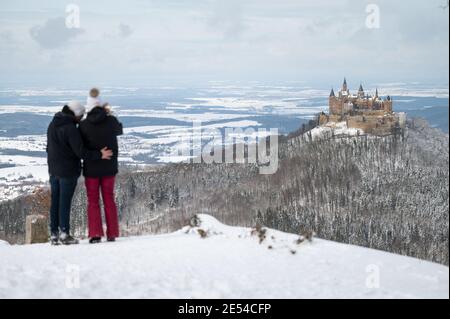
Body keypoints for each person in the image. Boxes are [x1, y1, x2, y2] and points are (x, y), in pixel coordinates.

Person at [47, 101, 113, 245]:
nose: (81, 118)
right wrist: (99, 154)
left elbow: (48, 148)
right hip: (68, 170)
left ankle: (54, 234)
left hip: (53, 170)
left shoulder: (53, 124)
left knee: (55, 203)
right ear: (75, 114)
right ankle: (64, 234)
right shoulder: (71, 128)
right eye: (81, 115)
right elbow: (81, 151)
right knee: (64, 203)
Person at [79, 102, 123, 244]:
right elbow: (119, 130)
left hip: (91, 168)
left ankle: (95, 234)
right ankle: (112, 233)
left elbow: (81, 147)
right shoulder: (111, 121)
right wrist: (109, 114)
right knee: (109, 200)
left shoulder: (84, 124)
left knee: (93, 201)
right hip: (109, 168)